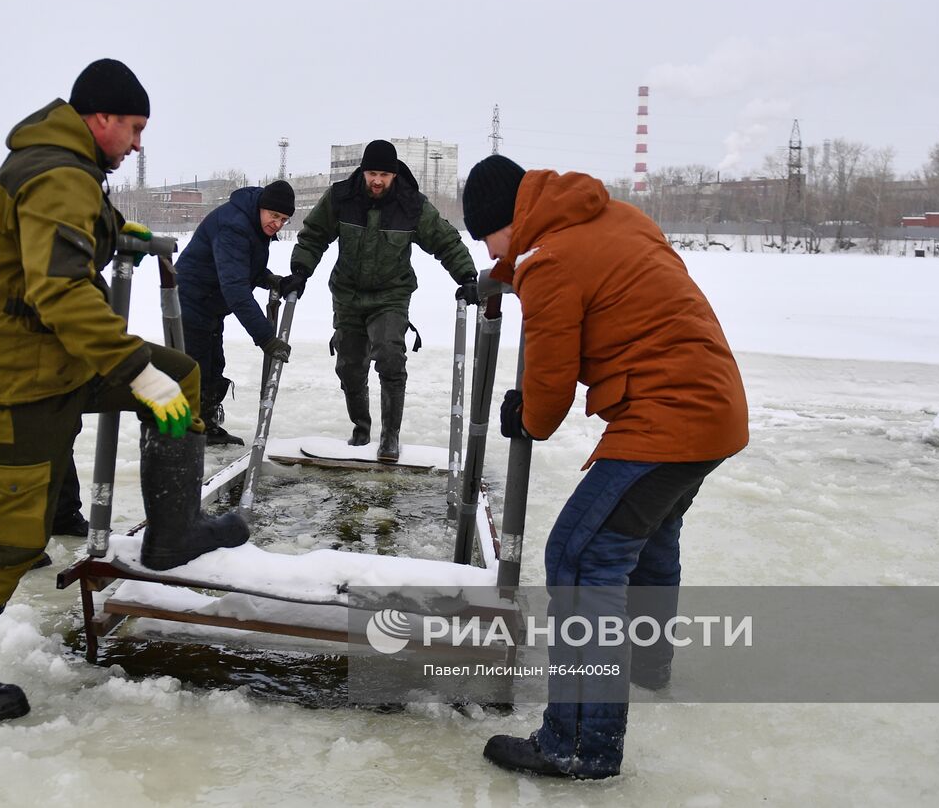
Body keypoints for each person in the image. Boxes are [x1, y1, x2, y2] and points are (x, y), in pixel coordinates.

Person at [0, 59, 249, 723]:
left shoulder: (70, 168)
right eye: (135, 128)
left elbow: (78, 229)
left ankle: (173, 535)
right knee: (13, 535)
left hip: (49, 362)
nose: (139, 143)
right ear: (101, 120)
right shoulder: (60, 173)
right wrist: (132, 371)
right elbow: (58, 288)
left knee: (179, 375)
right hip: (15, 381)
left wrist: (124, 234)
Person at [460, 154, 749, 780]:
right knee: (646, 542)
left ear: (507, 219)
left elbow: (551, 377)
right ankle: (646, 666)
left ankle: (578, 744)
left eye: (485, 235)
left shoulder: (550, 261)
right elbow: (576, 273)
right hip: (714, 409)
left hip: (665, 415)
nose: (487, 247)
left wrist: (529, 418)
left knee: (581, 556)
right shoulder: (612, 218)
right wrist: (497, 278)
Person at [288, 140, 479, 462]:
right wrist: (300, 271)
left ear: (394, 175)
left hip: (391, 295)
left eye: (384, 175)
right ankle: (361, 428)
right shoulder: (340, 198)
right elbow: (313, 235)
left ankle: (390, 435)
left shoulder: (411, 205)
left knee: (390, 355)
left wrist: (467, 277)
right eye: (372, 173)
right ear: (363, 172)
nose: (377, 181)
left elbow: (445, 241)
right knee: (349, 367)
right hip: (347, 294)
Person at [174, 180, 297, 446]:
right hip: (191, 298)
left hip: (211, 303)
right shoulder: (234, 226)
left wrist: (271, 280)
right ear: (262, 208)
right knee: (194, 367)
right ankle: (185, 437)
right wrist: (266, 338)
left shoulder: (251, 223)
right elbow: (236, 289)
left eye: (284, 219)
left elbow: (241, 267)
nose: (277, 224)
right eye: (274, 216)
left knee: (213, 364)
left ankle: (204, 426)